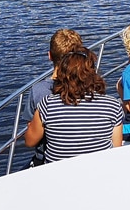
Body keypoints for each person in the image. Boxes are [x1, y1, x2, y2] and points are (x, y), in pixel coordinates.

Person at [24, 46, 124, 162]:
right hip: (99, 174)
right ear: (92, 73)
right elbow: (116, 150)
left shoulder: (47, 104)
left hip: (57, 176)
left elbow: (30, 141)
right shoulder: (112, 106)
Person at [23, 28, 83, 166]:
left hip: (47, 159)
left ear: (50, 56)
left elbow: (31, 138)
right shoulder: (90, 88)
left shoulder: (38, 91)